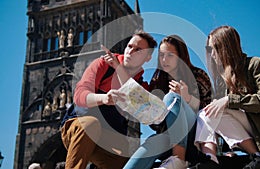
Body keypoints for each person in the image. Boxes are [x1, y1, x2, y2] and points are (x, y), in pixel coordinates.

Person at [194, 25, 260, 169]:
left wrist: (229, 100)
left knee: (217, 108)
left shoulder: (255, 65)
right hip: (253, 136)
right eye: (209, 50)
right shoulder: (222, 83)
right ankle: (212, 159)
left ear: (226, 46)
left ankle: (257, 156)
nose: (212, 55)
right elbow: (227, 123)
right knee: (205, 113)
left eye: (215, 49)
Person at [60, 30, 157, 169]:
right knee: (90, 124)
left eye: (138, 50)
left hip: (110, 138)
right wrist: (104, 98)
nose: (131, 51)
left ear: (148, 57)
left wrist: (119, 70)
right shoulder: (103, 64)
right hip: (79, 126)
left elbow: (148, 114)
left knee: (127, 163)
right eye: (130, 46)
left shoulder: (141, 86)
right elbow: (79, 96)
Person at [123, 35, 212, 169]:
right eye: (161, 55)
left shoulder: (198, 76)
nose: (164, 60)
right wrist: (147, 112)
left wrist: (187, 98)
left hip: (194, 134)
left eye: (170, 55)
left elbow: (209, 111)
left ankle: (178, 159)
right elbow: (157, 127)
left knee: (172, 97)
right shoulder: (157, 82)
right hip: (168, 137)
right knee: (152, 141)